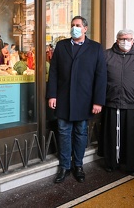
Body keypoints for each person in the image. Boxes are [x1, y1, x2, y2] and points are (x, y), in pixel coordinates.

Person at [46, 15, 107, 183]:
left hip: (85, 100)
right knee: (64, 132)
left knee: (80, 133)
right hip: (64, 99)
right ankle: (64, 166)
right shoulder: (61, 45)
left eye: (78, 25)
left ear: (85, 28)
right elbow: (54, 73)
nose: (75, 28)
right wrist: (52, 95)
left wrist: (98, 101)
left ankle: (78, 165)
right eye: (72, 25)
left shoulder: (95, 48)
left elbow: (101, 76)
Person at [99, 29, 134, 176]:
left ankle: (131, 166)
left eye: (128, 38)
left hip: (132, 103)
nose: (125, 41)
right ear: (117, 40)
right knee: (111, 135)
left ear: (133, 40)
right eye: (122, 38)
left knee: (131, 136)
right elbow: (99, 79)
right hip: (111, 101)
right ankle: (111, 162)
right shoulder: (106, 55)